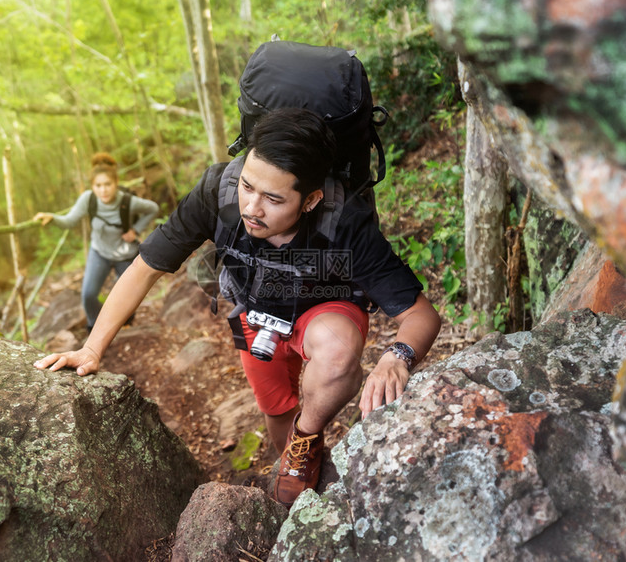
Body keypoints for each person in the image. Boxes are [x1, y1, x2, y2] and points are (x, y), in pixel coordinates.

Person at [34, 109, 440, 507]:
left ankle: (306, 438)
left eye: (273, 198)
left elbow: (419, 314)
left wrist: (398, 356)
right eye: (248, 186)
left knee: (333, 357)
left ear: (311, 199)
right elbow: (145, 268)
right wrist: (92, 348)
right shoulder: (218, 190)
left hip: (325, 311)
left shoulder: (345, 221)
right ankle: (292, 461)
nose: (252, 208)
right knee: (275, 406)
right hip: (254, 310)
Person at [33, 152, 159, 332]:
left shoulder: (127, 201)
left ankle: (125, 323)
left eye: (107, 184)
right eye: (98, 185)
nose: (103, 190)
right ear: (92, 187)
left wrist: (135, 230)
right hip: (99, 253)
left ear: (116, 184)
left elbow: (153, 209)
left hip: (125, 253)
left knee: (127, 295)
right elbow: (69, 221)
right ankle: (96, 326)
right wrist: (52, 217)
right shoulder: (88, 200)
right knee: (89, 295)